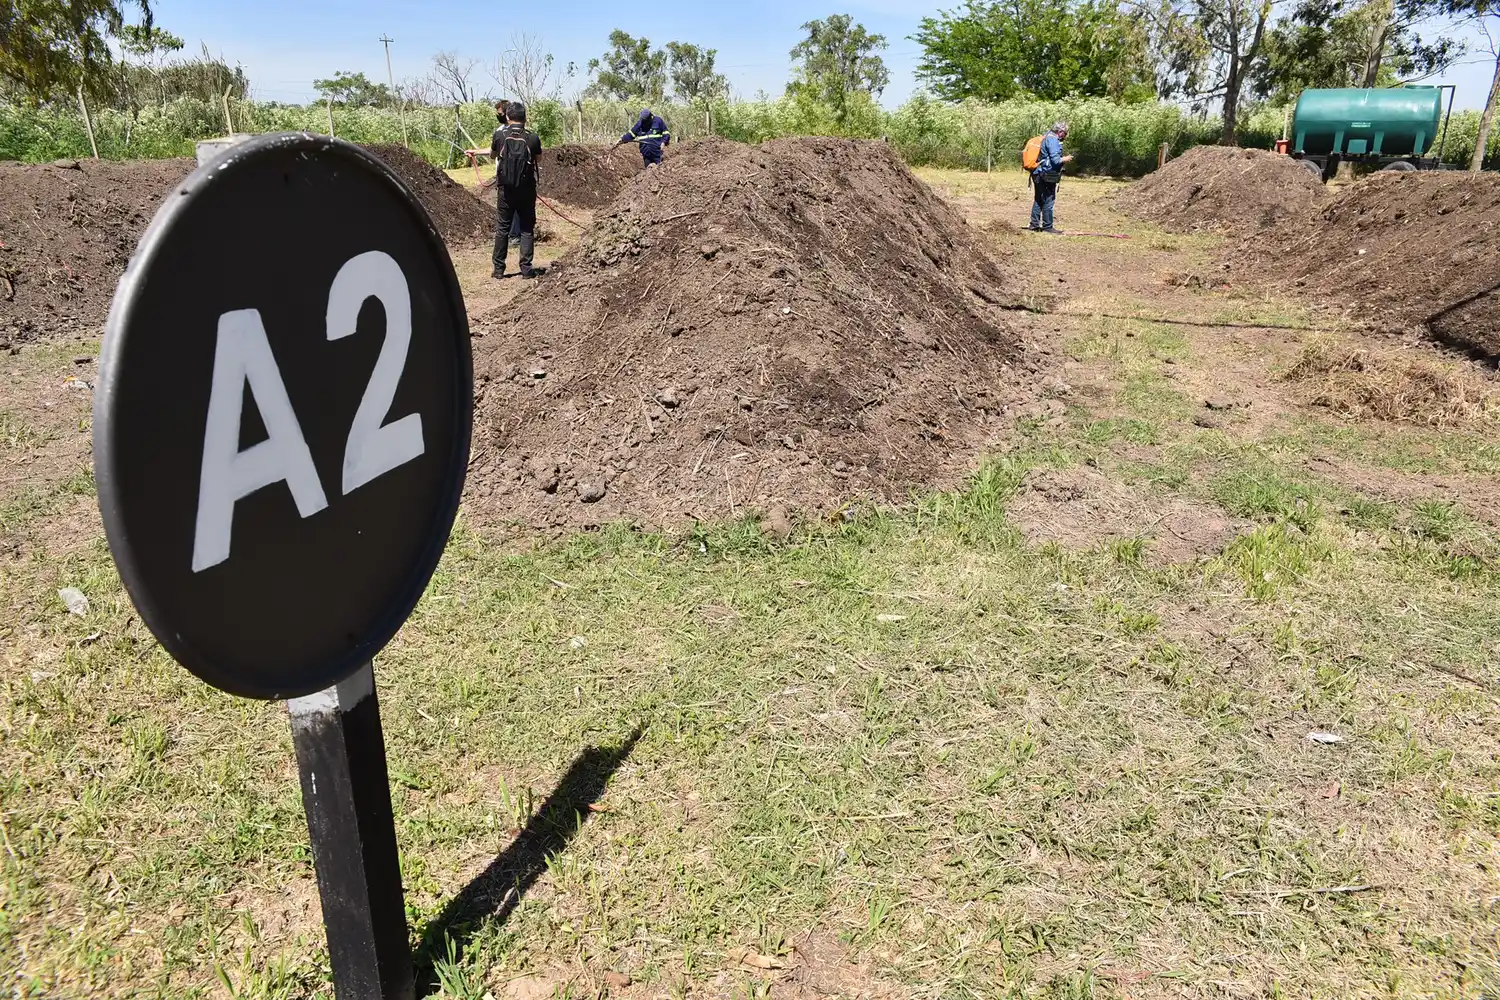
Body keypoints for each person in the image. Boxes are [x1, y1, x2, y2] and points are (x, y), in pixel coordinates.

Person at [482, 101, 543, 279]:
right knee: (526, 228)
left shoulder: (499, 135)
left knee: (502, 228)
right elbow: (538, 159)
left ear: (507, 117)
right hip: (526, 190)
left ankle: (499, 269)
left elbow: (493, 155)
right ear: (525, 117)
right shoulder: (532, 137)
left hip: (505, 189)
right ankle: (526, 269)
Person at [1028, 121, 1074, 234]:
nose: (1065, 136)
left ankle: (1034, 225)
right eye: (1065, 133)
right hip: (1046, 174)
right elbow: (1055, 160)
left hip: (1038, 172)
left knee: (1039, 199)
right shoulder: (1053, 140)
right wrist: (1066, 158)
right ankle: (1048, 226)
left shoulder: (1047, 136)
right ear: (1060, 132)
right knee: (1049, 200)